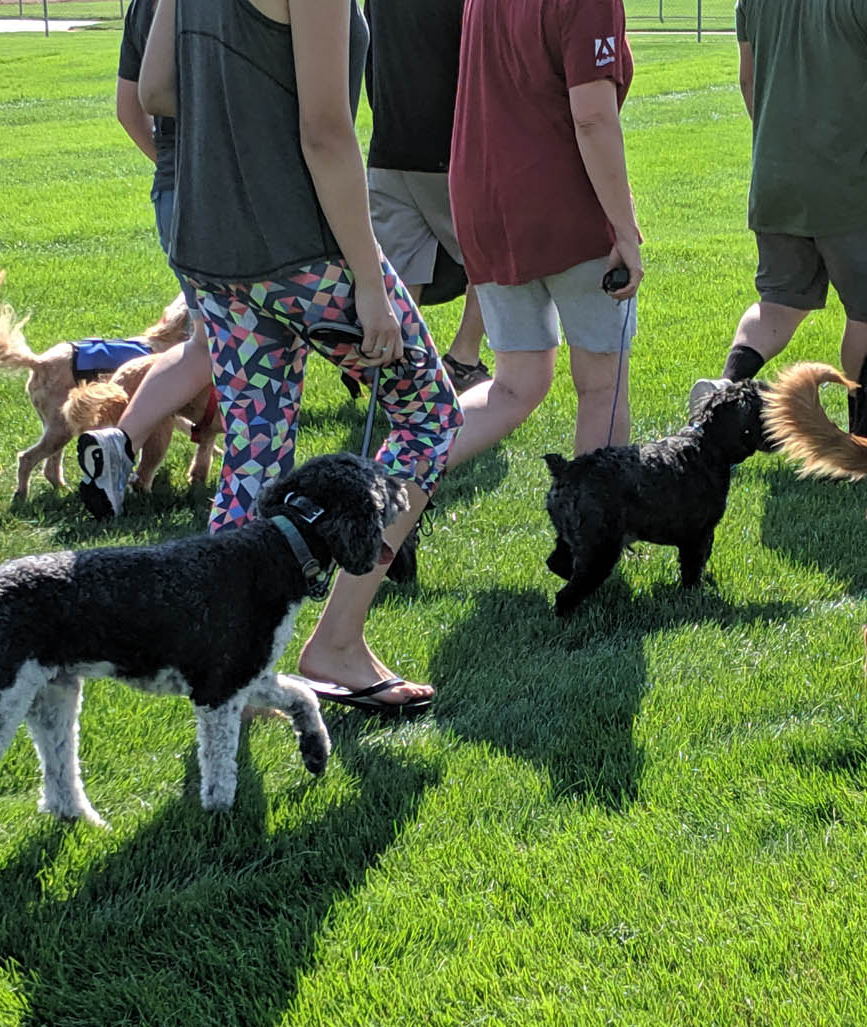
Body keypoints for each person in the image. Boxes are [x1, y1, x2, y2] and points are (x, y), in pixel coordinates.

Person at [127, 0, 463, 710]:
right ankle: (337, 643)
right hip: (306, 251)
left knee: (254, 456)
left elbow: (156, 92)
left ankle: (229, 657)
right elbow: (325, 133)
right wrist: (370, 284)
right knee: (431, 419)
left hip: (211, 251)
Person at [693, 0, 867, 411]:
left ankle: (724, 387)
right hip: (857, 187)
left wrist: (785, 150)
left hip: (777, 179)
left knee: (778, 303)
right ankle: (860, 443)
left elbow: (749, 81)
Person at [438, 0, 643, 468]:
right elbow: (592, 118)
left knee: (515, 385)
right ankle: (595, 538)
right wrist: (625, 231)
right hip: (560, 200)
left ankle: (389, 478)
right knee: (602, 385)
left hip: (482, 199)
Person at [91, 0, 218, 520]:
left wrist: (170, 166)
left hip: (172, 188)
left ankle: (118, 446)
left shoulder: (147, 4)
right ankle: (251, 494)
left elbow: (129, 106)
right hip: (230, 188)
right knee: (252, 346)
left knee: (207, 343)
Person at [362, 0, 490, 393]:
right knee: (494, 260)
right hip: (450, 148)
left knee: (403, 277)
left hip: (389, 145)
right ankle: (463, 359)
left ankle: (400, 373)